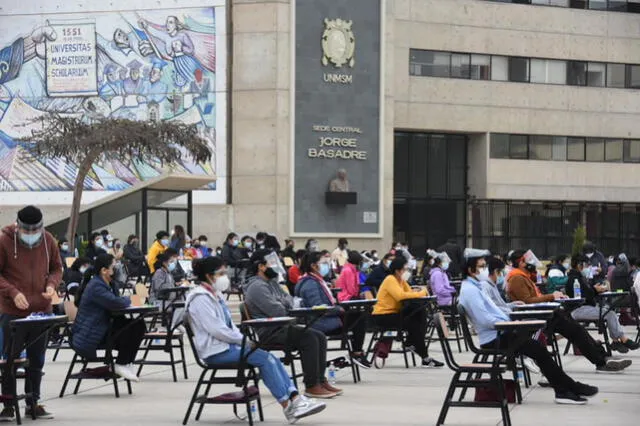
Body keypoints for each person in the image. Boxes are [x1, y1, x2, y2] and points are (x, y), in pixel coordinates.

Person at [185, 256, 326, 422]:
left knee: (271, 358)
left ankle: (295, 399)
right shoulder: (200, 299)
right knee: (266, 359)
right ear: (209, 276)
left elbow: (227, 328)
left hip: (227, 346)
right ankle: (288, 405)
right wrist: (242, 341)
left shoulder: (215, 295)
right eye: (221, 273)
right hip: (216, 350)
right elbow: (218, 330)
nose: (225, 277)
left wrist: (241, 340)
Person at [459, 255, 600, 405]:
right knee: (539, 350)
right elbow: (485, 320)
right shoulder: (470, 291)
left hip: (501, 333)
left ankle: (566, 389)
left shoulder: (476, 286)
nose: (485, 270)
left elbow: (494, 311)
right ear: (470, 270)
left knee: (539, 349)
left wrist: (511, 311)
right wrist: (510, 324)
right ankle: (567, 389)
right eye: (481, 267)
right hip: (495, 337)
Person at [506, 249, 632, 373]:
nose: (531, 262)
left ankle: (602, 358)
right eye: (528, 260)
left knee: (578, 330)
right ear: (521, 263)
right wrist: (551, 296)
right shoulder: (517, 278)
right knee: (576, 331)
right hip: (537, 317)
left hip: (544, 313)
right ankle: (601, 360)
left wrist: (553, 297)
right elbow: (527, 302)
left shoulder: (523, 277)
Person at [244, 250, 340, 399]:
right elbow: (278, 311)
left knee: (319, 336)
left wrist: (285, 303)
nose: (276, 266)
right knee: (309, 338)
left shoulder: (271, 283)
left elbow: (291, 300)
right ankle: (311, 385)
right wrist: (285, 304)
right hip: (270, 331)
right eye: (271, 263)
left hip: (283, 326)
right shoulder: (257, 287)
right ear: (261, 267)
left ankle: (320, 381)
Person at [0, 206, 62, 420]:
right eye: (26, 231)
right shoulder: (4, 241)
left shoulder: (48, 240)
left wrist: (52, 285)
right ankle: (8, 404)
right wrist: (12, 292)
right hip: (11, 311)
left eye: (34, 231)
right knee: (10, 358)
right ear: (18, 226)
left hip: (40, 310)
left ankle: (33, 401)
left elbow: (57, 268)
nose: (30, 235)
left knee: (37, 358)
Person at [72, 254, 146, 383]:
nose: (116, 268)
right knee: (131, 328)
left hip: (103, 326)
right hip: (91, 333)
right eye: (113, 266)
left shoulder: (110, 284)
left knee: (138, 325)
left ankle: (125, 363)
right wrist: (127, 299)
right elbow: (116, 303)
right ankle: (121, 364)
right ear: (104, 270)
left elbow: (117, 302)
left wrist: (123, 299)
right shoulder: (96, 286)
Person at [295, 252, 370, 369]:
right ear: (314, 266)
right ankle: (357, 353)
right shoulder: (310, 284)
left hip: (327, 317)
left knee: (359, 314)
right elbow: (318, 307)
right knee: (359, 317)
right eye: (324, 263)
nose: (327, 266)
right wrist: (339, 309)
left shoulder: (316, 280)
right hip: (320, 322)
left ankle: (357, 352)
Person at [372, 257, 443, 368]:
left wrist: (417, 292)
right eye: (404, 269)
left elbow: (409, 292)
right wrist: (422, 292)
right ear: (397, 270)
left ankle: (411, 344)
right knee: (414, 325)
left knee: (419, 311)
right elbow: (400, 296)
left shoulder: (401, 281)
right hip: (383, 315)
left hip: (395, 313)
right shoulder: (390, 279)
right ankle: (423, 356)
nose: (406, 271)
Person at [566, 254, 639, 353]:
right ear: (580, 265)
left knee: (609, 312)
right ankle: (621, 339)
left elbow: (587, 292)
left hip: (584, 307)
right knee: (609, 314)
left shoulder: (578, 277)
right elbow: (584, 295)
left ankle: (617, 340)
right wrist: (595, 290)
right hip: (578, 309)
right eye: (587, 265)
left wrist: (594, 289)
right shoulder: (574, 279)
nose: (588, 268)